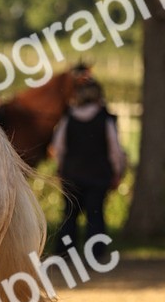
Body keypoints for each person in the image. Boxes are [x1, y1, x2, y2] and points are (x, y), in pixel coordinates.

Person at [51, 78, 127, 256]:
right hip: (98, 175)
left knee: (69, 216)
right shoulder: (105, 119)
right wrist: (118, 171)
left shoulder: (68, 118)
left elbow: (58, 147)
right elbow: (114, 149)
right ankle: (95, 253)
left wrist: (61, 167)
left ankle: (65, 252)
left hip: (71, 174)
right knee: (95, 216)